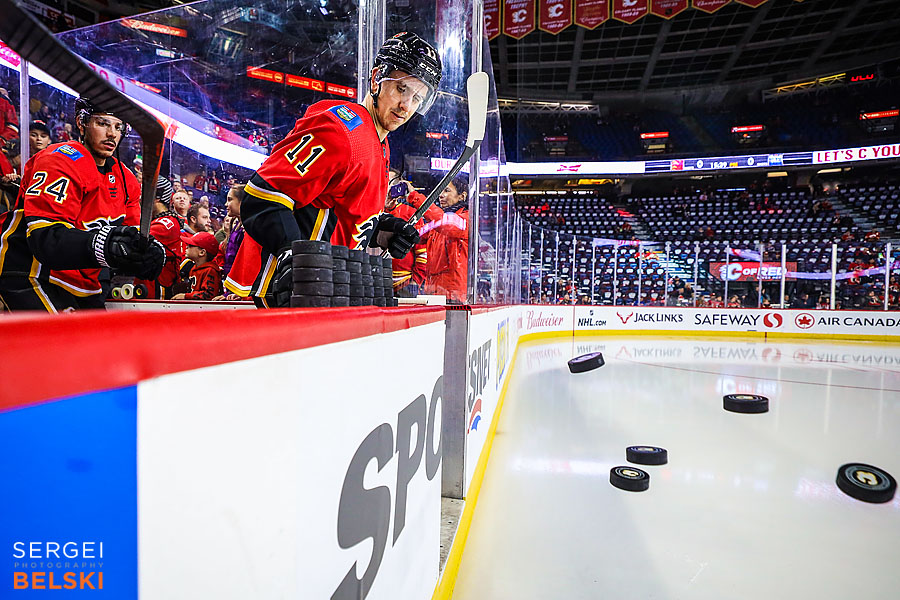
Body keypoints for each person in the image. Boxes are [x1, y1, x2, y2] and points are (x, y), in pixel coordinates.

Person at [225, 32, 441, 307]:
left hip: (326, 295)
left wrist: (381, 230)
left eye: (418, 99)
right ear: (376, 79)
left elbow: (334, 211)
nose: (406, 106)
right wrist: (296, 260)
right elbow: (262, 196)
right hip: (288, 297)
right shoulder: (342, 131)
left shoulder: (379, 143)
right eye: (401, 89)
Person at [0, 96, 164, 311]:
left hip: (84, 284)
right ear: (81, 123)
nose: (112, 134)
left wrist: (146, 254)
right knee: (63, 343)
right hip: (31, 273)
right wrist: (105, 245)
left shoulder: (127, 179)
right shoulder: (58, 160)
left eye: (118, 126)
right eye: (102, 123)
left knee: (105, 343)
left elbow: (128, 239)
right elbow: (46, 240)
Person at [385, 170, 442, 296]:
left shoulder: (410, 213)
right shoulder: (371, 207)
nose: (387, 187)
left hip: (403, 284)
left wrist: (415, 281)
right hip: (373, 279)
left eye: (390, 183)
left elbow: (421, 251)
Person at [422, 176, 469, 302]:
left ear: (462, 196)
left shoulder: (466, 219)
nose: (441, 195)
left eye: (447, 190)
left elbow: (445, 223)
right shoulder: (437, 223)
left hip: (453, 296)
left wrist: (417, 199)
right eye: (440, 191)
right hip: (433, 292)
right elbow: (416, 234)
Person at [172, 232, 221, 300]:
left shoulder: (210, 270)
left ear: (202, 252)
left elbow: (209, 295)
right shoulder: (194, 268)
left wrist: (185, 296)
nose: (186, 247)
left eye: (190, 245)